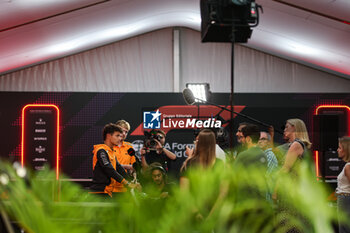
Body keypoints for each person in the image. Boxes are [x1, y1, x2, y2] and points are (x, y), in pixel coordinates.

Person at [90, 123, 139, 197]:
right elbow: (109, 169)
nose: (120, 138)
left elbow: (119, 168)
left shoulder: (111, 151)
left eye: (120, 136)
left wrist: (131, 181)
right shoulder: (101, 151)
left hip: (107, 192)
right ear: (109, 136)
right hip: (99, 192)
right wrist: (127, 183)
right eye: (117, 136)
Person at [113, 120, 138, 193]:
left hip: (126, 187)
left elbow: (134, 167)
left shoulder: (129, 147)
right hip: (111, 187)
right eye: (122, 131)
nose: (124, 134)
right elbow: (108, 166)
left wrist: (135, 178)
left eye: (126, 132)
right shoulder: (109, 146)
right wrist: (126, 166)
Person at [336, 136, 350, 233]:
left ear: (346, 150)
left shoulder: (348, 167)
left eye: (340, 147)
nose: (337, 150)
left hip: (345, 200)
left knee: (344, 228)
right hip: (344, 199)